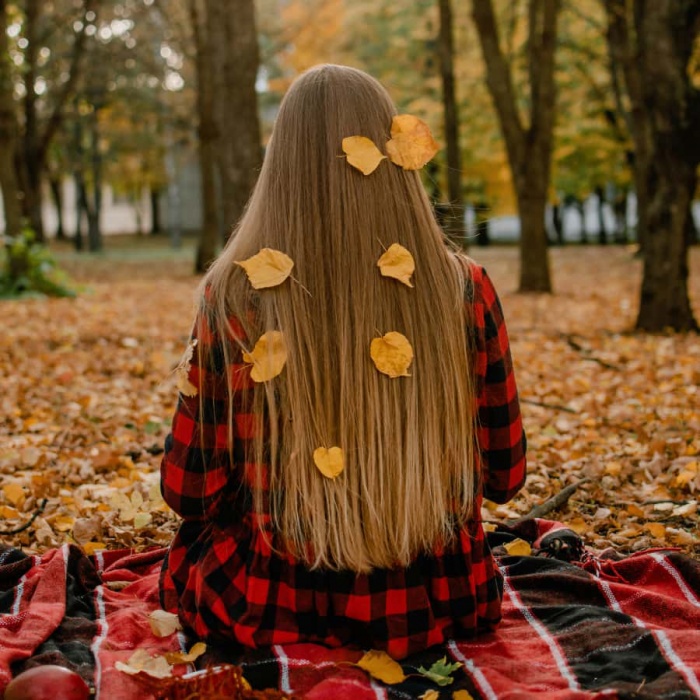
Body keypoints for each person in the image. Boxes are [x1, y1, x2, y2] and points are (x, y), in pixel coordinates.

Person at [159, 64, 526, 660]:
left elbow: (188, 490)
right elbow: (506, 476)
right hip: (436, 602)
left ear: (280, 166)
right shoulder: (465, 288)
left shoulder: (232, 294)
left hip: (263, 601)